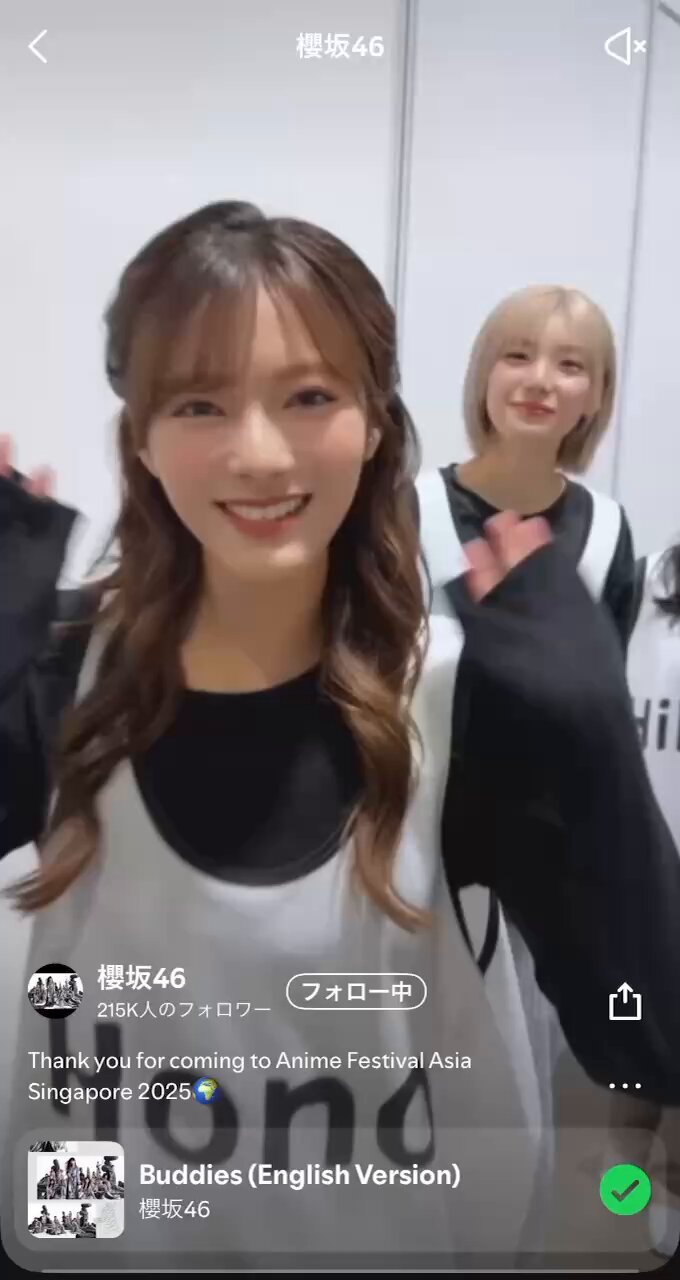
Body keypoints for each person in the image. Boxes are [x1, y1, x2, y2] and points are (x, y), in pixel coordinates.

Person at [1, 202, 679, 1271]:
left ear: (373, 423)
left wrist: (599, 765)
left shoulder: (454, 704)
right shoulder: (63, 681)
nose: (259, 452)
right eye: (199, 402)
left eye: (310, 395)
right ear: (142, 435)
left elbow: (643, 1039)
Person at [415, 285, 635, 651]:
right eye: (518, 356)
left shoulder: (607, 530)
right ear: (485, 374)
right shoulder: (410, 509)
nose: (539, 381)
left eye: (570, 365)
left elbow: (609, 679)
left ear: (596, 395)